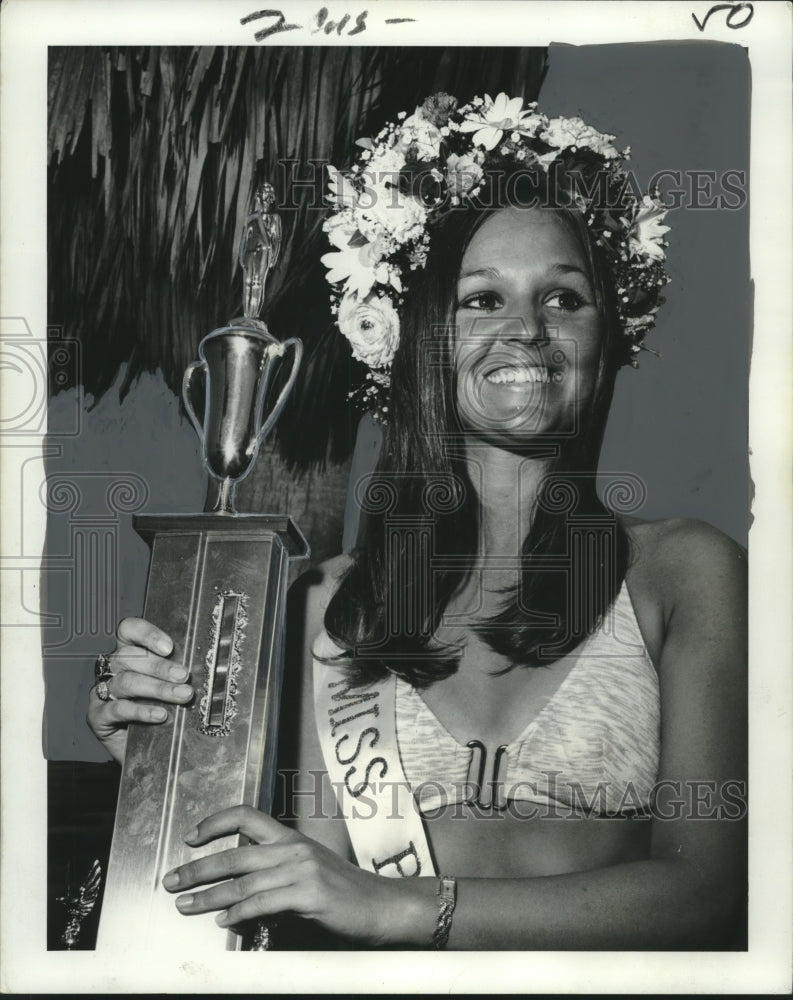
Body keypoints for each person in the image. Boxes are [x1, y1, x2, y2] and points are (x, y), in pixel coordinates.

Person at [87, 92, 747, 950]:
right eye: (480, 300)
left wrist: (405, 905)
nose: (526, 330)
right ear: (418, 335)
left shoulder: (684, 571)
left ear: (608, 334)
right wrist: (156, 753)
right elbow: (287, 872)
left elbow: (706, 892)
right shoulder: (328, 603)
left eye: (564, 299)